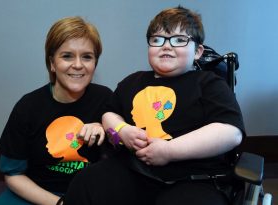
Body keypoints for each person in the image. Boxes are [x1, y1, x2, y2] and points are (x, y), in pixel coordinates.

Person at [64, 6, 245, 205]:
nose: (166, 46)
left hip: (194, 179)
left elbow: (230, 132)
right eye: (157, 40)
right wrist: (122, 130)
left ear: (197, 52)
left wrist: (169, 151)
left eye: (178, 40)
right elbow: (109, 114)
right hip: (134, 171)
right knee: (86, 184)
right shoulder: (132, 82)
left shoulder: (208, 83)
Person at [0, 16, 112, 205]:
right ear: (52, 63)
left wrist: (106, 128)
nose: (78, 64)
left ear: (95, 63)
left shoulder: (105, 99)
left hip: (89, 193)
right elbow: (13, 175)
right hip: (36, 192)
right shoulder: (28, 107)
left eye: (87, 56)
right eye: (67, 56)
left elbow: (123, 153)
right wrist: (59, 203)